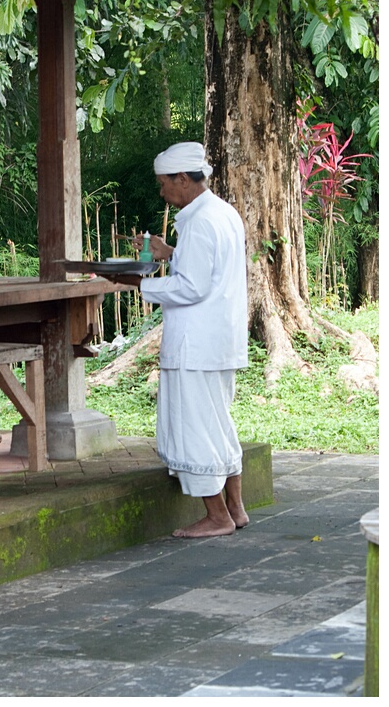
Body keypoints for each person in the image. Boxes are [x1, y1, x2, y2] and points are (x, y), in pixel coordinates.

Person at [108, 141, 249, 538]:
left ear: (183, 180)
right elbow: (210, 268)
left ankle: (217, 516)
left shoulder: (198, 220)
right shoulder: (222, 213)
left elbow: (192, 287)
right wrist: (170, 252)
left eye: (164, 183)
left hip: (196, 344)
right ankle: (236, 509)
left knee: (195, 427)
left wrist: (139, 284)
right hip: (218, 340)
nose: (161, 192)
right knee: (218, 423)